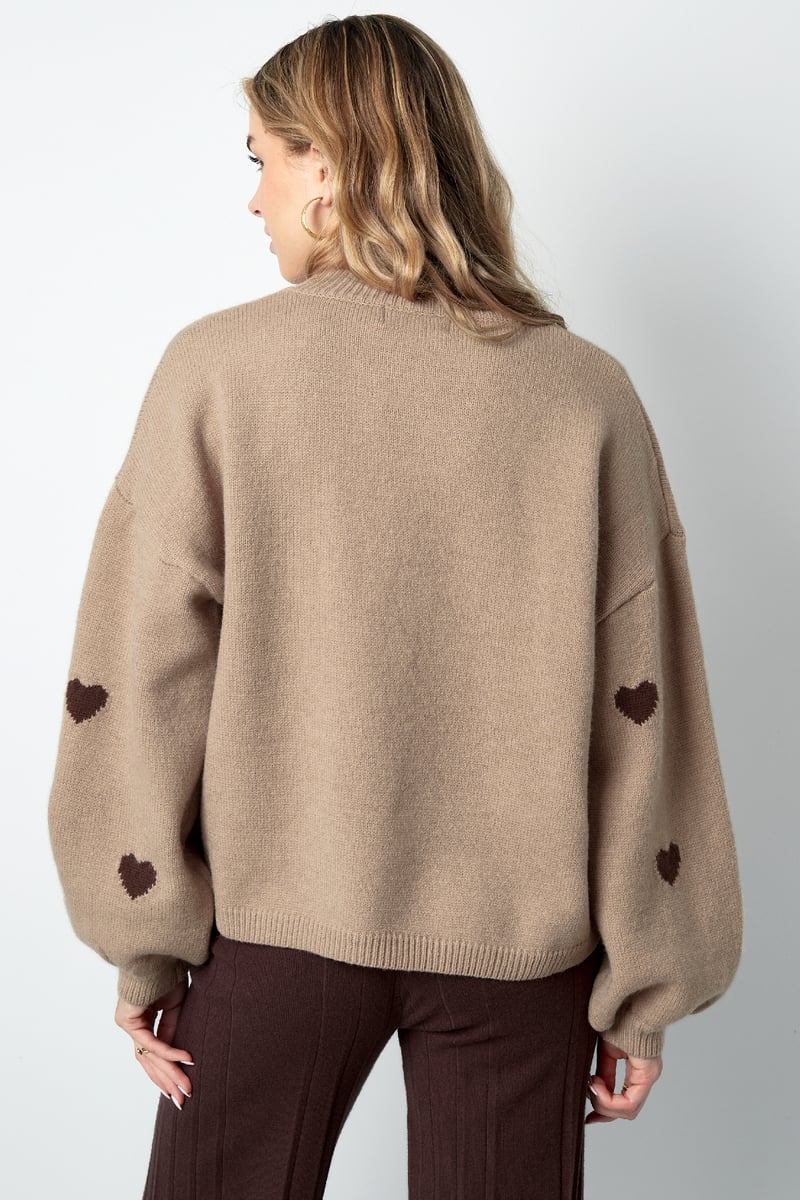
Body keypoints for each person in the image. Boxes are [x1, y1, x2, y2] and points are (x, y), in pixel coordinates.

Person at [46, 13, 743, 1199]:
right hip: (519, 957)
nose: (253, 196)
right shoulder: (585, 395)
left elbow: (139, 673)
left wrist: (144, 947)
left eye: (262, 157)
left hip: (274, 937)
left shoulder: (218, 372)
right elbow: (644, 711)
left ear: (327, 166)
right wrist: (646, 987)